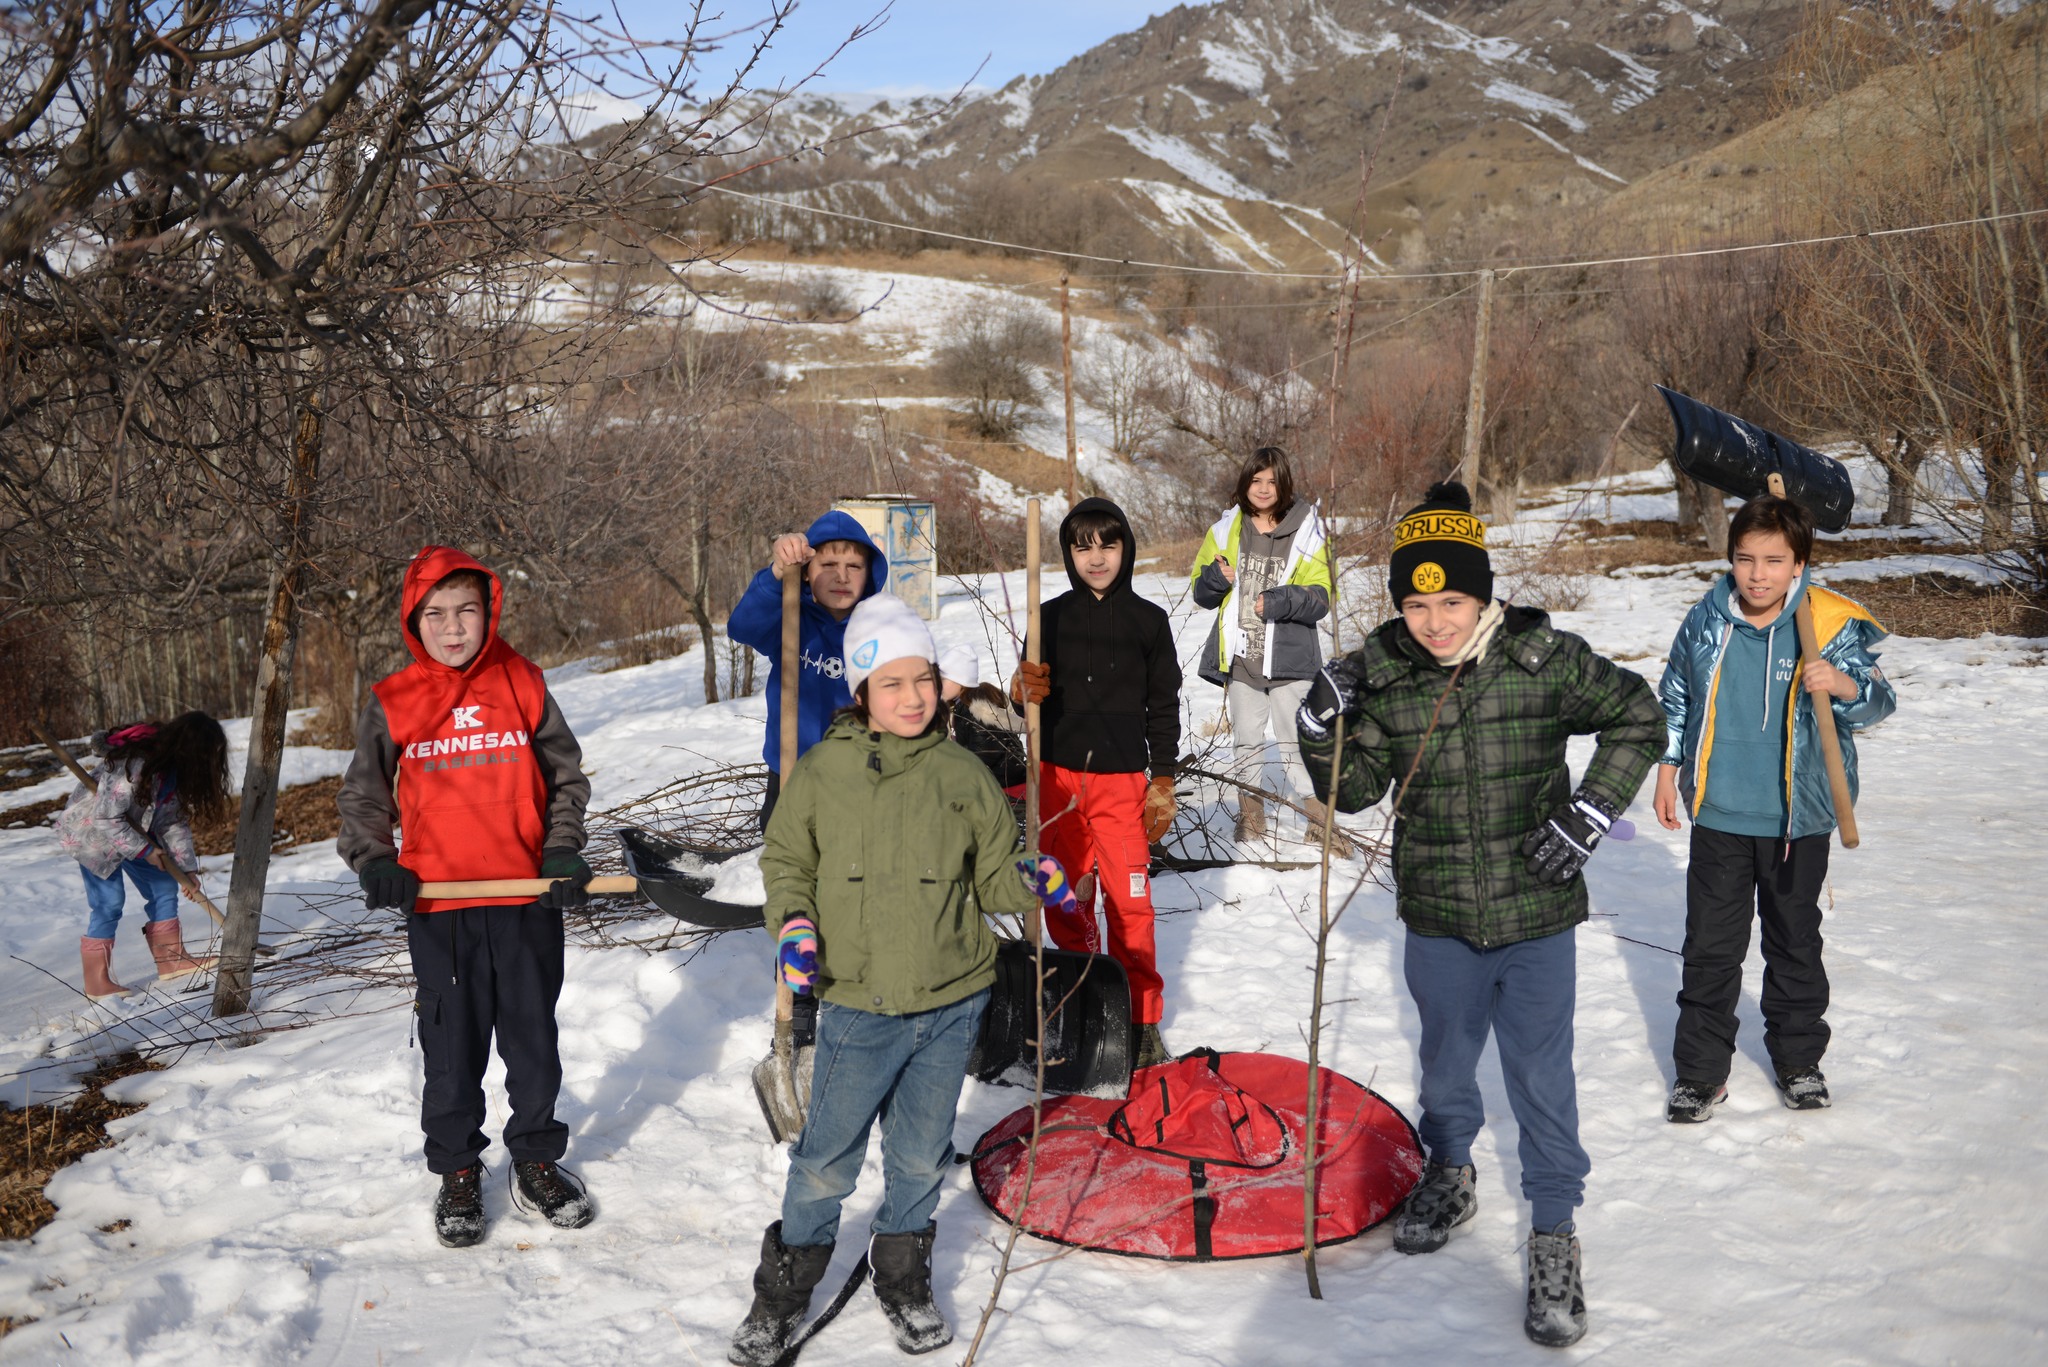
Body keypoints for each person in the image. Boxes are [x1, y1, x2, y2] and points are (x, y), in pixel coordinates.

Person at [1297, 480, 1662, 1348]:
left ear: (1484, 594)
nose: (1434, 620)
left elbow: (1638, 715)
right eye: (1417, 603)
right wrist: (1318, 726)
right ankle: (1450, 1172)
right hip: (1441, 912)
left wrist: (1589, 815)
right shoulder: (1379, 673)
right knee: (1448, 1064)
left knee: (1541, 1076)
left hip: (1537, 913)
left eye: (1451, 600)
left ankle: (1553, 1233)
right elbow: (1353, 791)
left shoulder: (1543, 659)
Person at [731, 594, 1051, 1366]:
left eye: (922, 680)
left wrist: (1031, 878)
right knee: (825, 1161)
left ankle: (902, 1278)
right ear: (861, 694)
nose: (910, 697)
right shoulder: (823, 773)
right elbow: (786, 865)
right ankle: (781, 1294)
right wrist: (796, 925)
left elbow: (994, 881)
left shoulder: (961, 773)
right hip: (858, 1003)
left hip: (950, 1001)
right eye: (891, 683)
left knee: (919, 1156)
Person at [337, 546, 596, 1249]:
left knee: (533, 1042)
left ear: (490, 612)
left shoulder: (524, 683)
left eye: (467, 611)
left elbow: (566, 779)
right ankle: (457, 1169)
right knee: (452, 1052)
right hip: (440, 911)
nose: (454, 627)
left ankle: (536, 1157)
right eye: (437, 613)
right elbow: (362, 798)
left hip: (524, 901)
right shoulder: (393, 701)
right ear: (413, 620)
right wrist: (377, 860)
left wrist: (562, 851)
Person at [1653, 494, 1896, 1122]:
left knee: (1793, 944)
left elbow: (1879, 703)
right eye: (1744, 559)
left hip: (1799, 819)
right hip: (1720, 813)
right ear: (1730, 561)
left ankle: (1798, 1061)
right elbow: (1675, 693)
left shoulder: (1829, 623)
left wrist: (1842, 685)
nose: (1758, 574)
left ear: (1800, 564)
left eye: (1774, 560)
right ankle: (1701, 1074)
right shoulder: (1706, 621)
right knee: (1710, 949)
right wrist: (1667, 767)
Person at [1010, 497, 1182, 1068]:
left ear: (1125, 547)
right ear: (1068, 554)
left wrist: (1163, 780)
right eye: (1083, 547)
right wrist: (1021, 689)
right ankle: (1084, 1002)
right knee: (1062, 897)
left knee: (1131, 906)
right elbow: (1026, 696)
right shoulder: (1048, 618)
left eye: (1107, 544)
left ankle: (1140, 1019)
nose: (1096, 557)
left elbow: (1163, 707)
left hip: (1122, 784)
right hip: (1058, 779)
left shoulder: (1148, 623)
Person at [1188, 446, 1339, 844]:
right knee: (1246, 741)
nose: (1264, 488)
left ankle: (1320, 821)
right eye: (1256, 480)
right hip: (1242, 659)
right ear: (1245, 483)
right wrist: (1215, 579)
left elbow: (1321, 597)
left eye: (1272, 481)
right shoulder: (1225, 530)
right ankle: (1250, 817)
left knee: (1295, 739)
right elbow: (1199, 591)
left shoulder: (1308, 529)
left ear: (1284, 484)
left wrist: (1279, 601)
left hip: (1290, 660)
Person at [728, 511, 888, 828]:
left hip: (860, 776)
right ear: (805, 572)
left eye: (854, 566)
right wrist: (777, 573)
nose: (841, 576)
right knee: (784, 860)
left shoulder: (881, 630)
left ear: (868, 574)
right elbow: (742, 627)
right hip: (790, 773)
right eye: (828, 565)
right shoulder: (790, 618)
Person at [54, 713, 231, 999]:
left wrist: (186, 869)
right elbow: (108, 818)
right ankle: (97, 982)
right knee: (109, 904)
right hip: (94, 833)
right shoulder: (135, 764)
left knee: (164, 886)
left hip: (136, 832)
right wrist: (146, 851)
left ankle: (171, 960)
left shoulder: (175, 774)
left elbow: (173, 822)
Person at [938, 644, 1027, 794]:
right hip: (990, 778)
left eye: (943, 679)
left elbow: (981, 756)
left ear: (961, 681)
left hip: (1002, 781)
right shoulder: (958, 707)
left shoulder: (975, 711)